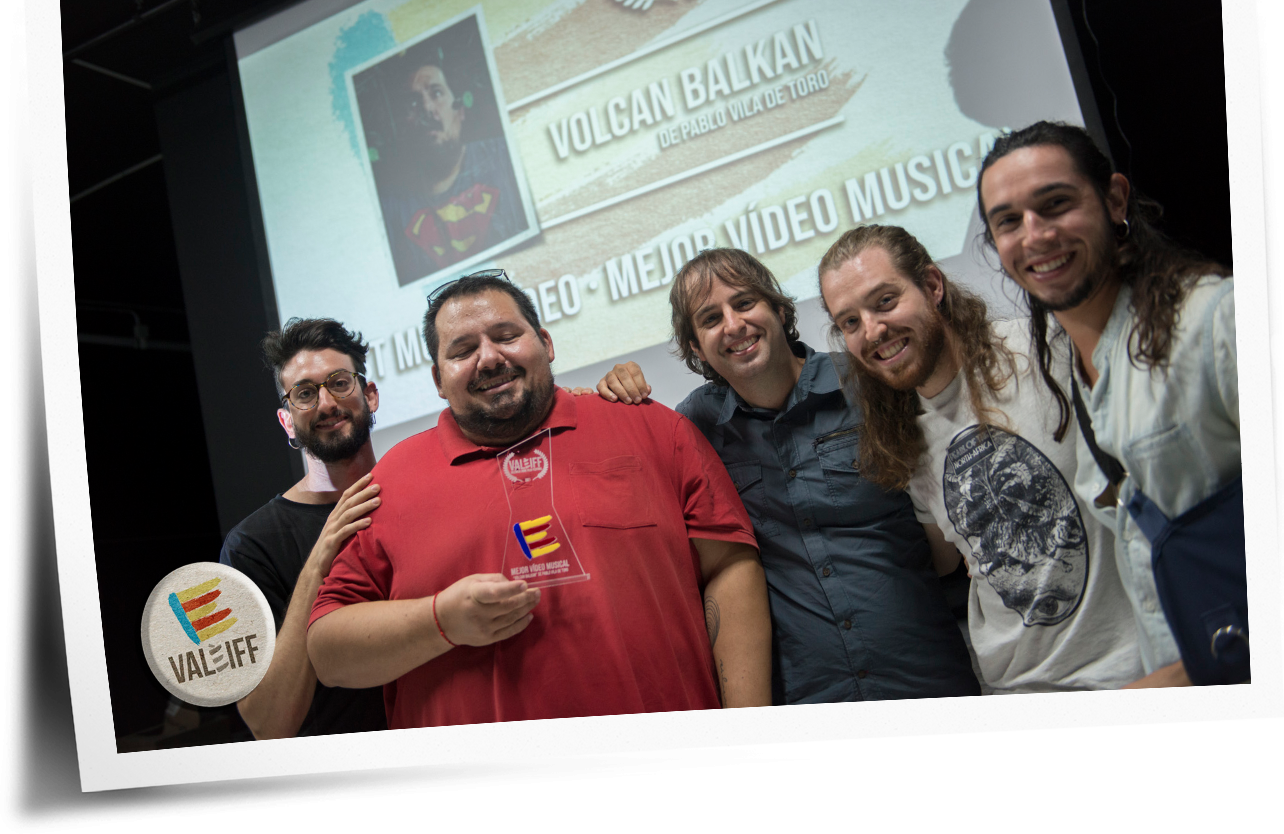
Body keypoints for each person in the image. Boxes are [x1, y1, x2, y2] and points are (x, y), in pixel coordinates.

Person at [306, 273, 771, 728]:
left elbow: (729, 567)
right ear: (438, 380)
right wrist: (439, 621)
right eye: (463, 351)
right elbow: (327, 652)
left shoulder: (653, 427)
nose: (489, 358)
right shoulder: (390, 482)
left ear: (545, 343)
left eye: (506, 336)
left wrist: (749, 739)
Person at [597, 248, 980, 704]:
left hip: (928, 681)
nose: (734, 325)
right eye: (711, 319)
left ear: (779, 310)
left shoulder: (868, 382)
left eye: (744, 303)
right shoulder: (694, 427)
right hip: (808, 703)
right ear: (696, 348)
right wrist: (605, 394)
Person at [817, 225, 1143, 693]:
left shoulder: (1047, 350)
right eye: (850, 322)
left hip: (1133, 672)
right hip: (1014, 689)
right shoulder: (902, 437)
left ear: (933, 285)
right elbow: (945, 558)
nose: (872, 330)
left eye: (885, 301)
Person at [976, 120, 1241, 686]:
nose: (1035, 235)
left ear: (1115, 199)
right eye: (1009, 221)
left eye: (1056, 204)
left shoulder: (1213, 319)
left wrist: (1190, 676)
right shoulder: (1071, 368)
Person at [220, 318, 388, 738]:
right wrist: (318, 562)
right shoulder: (251, 544)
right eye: (306, 393)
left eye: (340, 383)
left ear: (370, 395)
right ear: (287, 422)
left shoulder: (416, 491)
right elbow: (268, 724)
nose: (327, 403)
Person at [377, 55, 527, 282]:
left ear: (460, 110)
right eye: (413, 103)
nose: (427, 108)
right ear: (403, 122)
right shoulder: (388, 210)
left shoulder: (506, 156)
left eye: (436, 93)